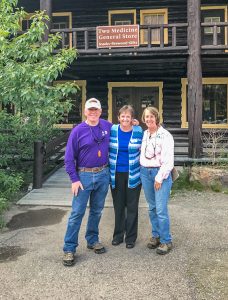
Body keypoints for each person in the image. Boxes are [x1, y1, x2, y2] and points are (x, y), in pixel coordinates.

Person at [62, 98, 112, 266]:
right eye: (90, 110)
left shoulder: (107, 126)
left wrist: (134, 123)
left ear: (100, 111)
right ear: (85, 111)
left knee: (97, 210)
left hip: (103, 174)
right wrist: (74, 179)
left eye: (95, 110)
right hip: (83, 176)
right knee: (77, 213)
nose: (93, 112)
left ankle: (92, 239)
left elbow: (124, 128)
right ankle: (69, 248)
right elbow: (68, 158)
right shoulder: (77, 131)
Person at [140, 106, 174, 255]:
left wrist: (159, 177)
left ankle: (166, 240)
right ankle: (156, 235)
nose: (149, 119)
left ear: (157, 118)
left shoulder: (165, 135)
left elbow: (168, 161)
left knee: (160, 209)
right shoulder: (145, 134)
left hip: (160, 173)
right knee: (152, 207)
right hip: (145, 172)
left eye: (151, 117)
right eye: (146, 117)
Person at [109, 105, 143, 249]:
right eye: (122, 116)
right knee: (118, 206)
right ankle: (118, 235)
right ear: (118, 117)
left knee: (132, 206)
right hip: (116, 174)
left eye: (128, 116)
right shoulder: (113, 130)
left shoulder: (138, 130)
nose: (125, 119)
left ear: (132, 118)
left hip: (133, 174)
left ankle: (130, 237)